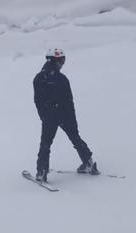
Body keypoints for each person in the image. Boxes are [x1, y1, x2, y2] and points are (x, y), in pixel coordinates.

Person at [33, 48, 99, 182]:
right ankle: (88, 162)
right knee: (74, 138)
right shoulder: (62, 79)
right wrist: (72, 121)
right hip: (63, 115)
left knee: (46, 143)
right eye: (60, 60)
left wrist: (44, 116)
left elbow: (38, 102)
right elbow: (68, 102)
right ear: (52, 60)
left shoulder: (39, 78)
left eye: (63, 60)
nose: (62, 63)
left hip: (52, 116)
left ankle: (42, 172)